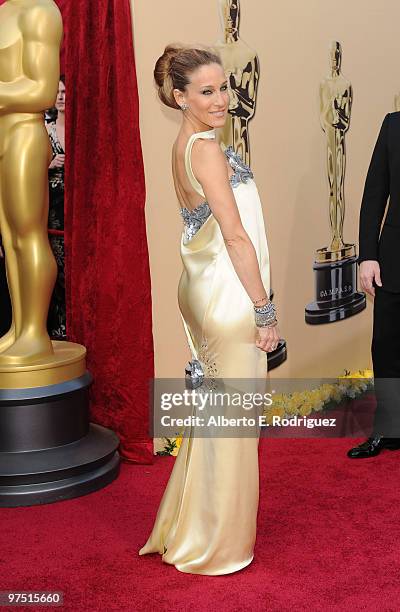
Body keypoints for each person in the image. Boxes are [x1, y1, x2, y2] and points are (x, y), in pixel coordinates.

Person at [138, 44, 280, 574]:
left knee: (215, 418)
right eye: (207, 91)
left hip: (204, 288)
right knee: (233, 425)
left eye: (223, 88)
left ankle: (192, 527)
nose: (221, 99)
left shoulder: (188, 143)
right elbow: (237, 237)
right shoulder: (205, 151)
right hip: (229, 295)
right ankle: (218, 545)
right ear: (180, 97)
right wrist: (265, 311)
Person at [0, 0, 62, 364]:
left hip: (24, 133)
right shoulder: (6, 11)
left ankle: (35, 332)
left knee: (28, 232)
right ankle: (19, 328)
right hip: (4, 132)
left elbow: (41, 90)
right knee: (10, 238)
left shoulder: (42, 11)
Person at [348, 112, 400, 458]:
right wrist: (368, 255)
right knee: (386, 348)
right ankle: (390, 430)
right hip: (394, 260)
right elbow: (374, 195)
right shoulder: (393, 125)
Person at [46, 77, 66, 340]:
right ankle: (57, 331)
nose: (61, 96)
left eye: (65, 91)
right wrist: (49, 164)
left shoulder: (79, 130)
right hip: (52, 209)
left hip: (76, 207)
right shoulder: (44, 129)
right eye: (57, 92)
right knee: (55, 270)